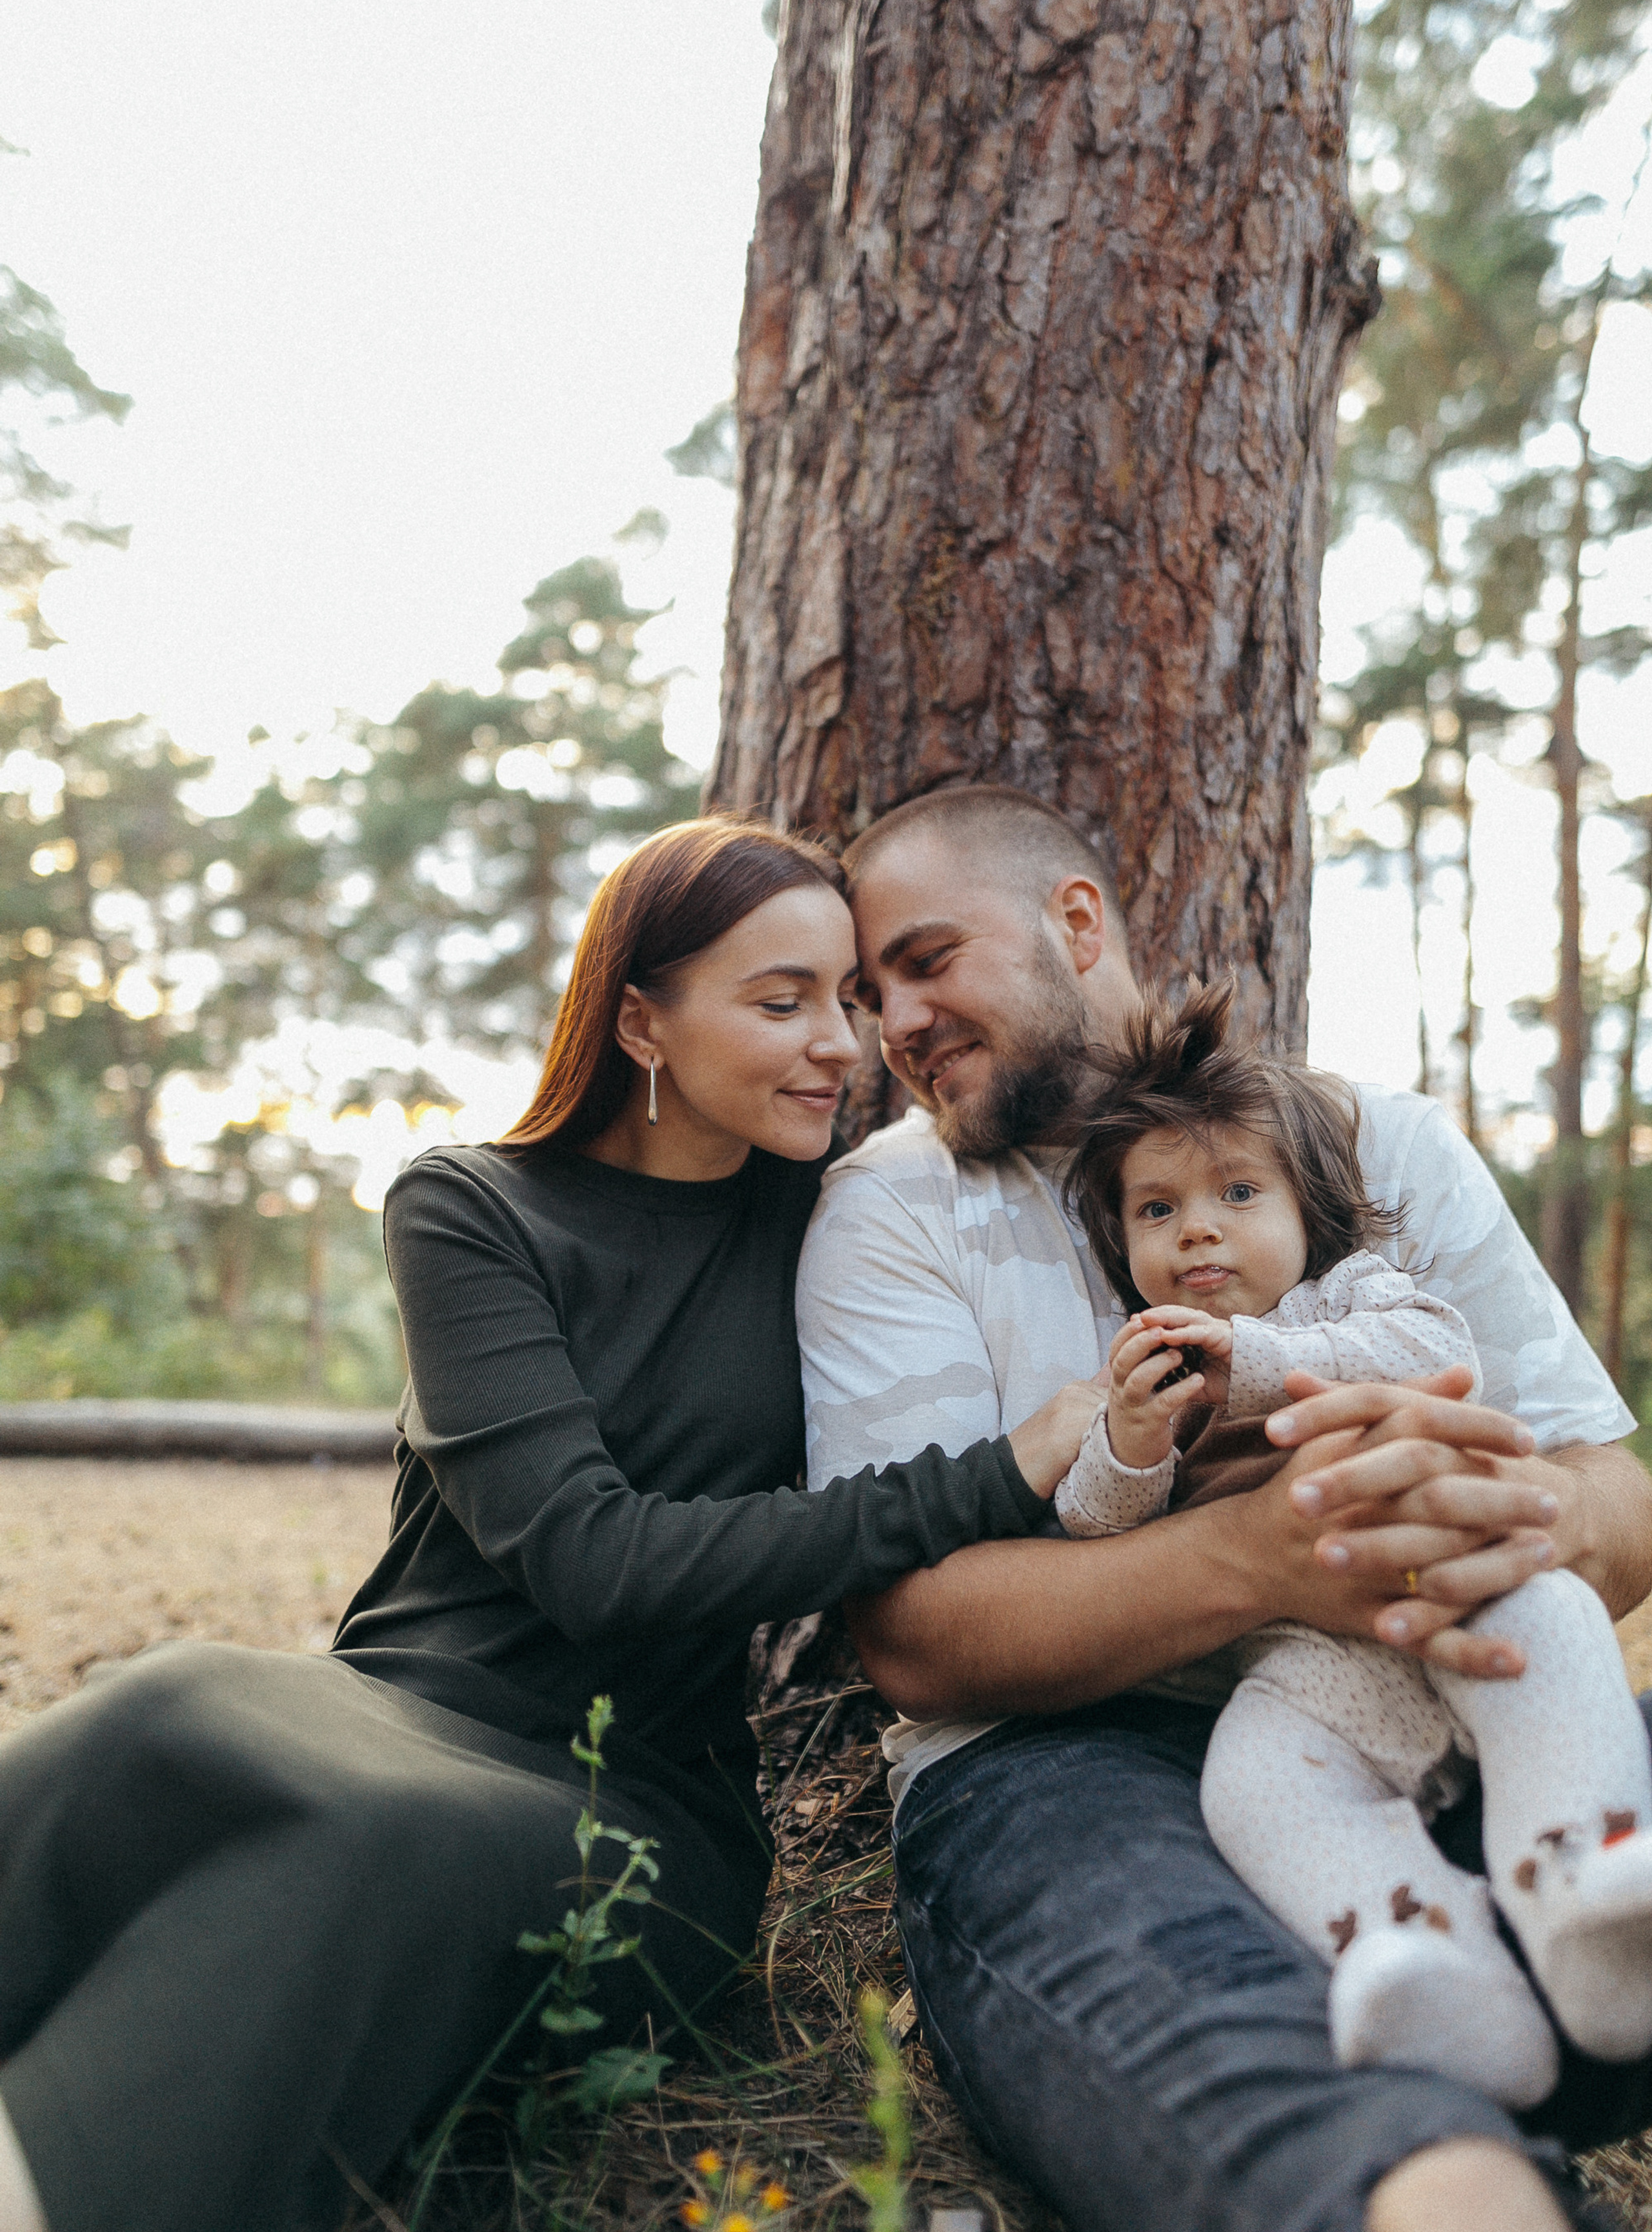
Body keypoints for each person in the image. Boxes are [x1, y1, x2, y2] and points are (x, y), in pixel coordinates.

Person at [0, 817, 1099, 2232]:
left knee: (372, 1850)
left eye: (846, 999)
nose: (838, 1044)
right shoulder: (470, 1208)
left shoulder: (830, 1224)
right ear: (640, 1015)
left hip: (634, 1804)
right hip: (385, 1701)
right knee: (161, 1709)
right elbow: (589, 1556)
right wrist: (993, 1473)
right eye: (780, 1003)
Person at [800, 782, 1652, 2232]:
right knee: (1250, 2039)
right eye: (862, 994)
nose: (894, 1022)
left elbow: (1612, 1499)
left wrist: (1469, 1512)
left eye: (924, 962)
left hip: (1427, 1679)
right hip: (1058, 1758)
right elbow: (920, 1641)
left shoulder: (1372, 1140)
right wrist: (1263, 1553)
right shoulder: (890, 1214)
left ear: (1074, 922)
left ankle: (1545, 1988)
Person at [1054, 977, 1652, 2113]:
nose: (1201, 1230)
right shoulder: (1147, 1373)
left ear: (1306, 1208)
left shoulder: (1357, 1294)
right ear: (1120, 1240)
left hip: (1460, 1603)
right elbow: (1095, 1529)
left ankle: (1588, 1882)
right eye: (1157, 1211)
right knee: (1253, 1788)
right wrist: (1128, 1440)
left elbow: (1433, 1352)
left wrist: (1257, 1359)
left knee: (1557, 1623)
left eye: (1238, 1192)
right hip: (1304, 1672)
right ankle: (1428, 1957)